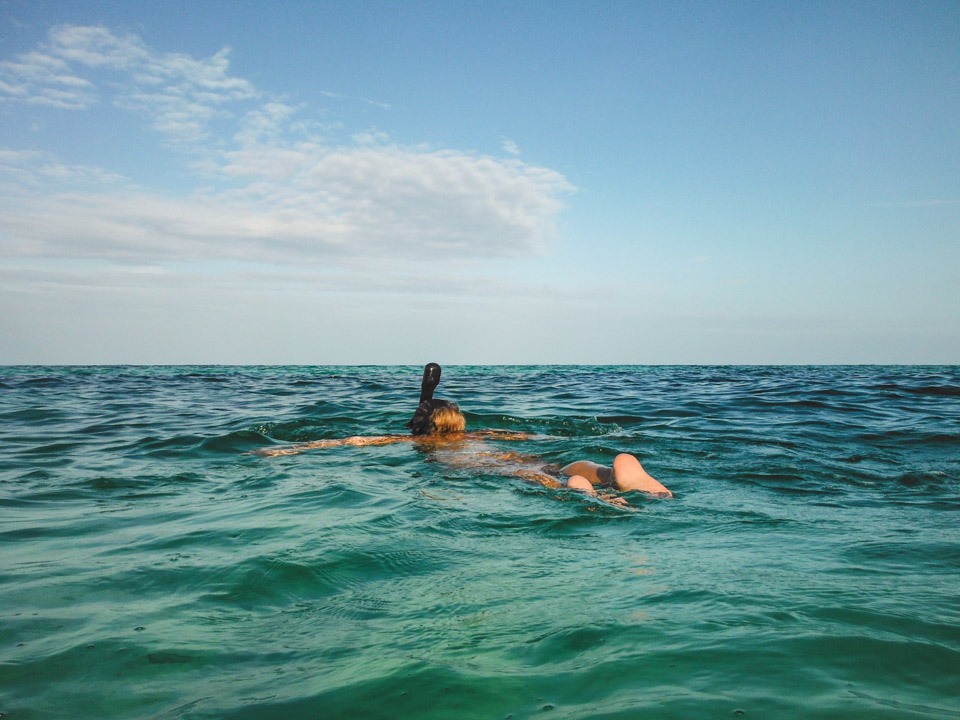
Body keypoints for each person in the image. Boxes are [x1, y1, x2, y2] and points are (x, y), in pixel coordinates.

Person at [256, 363, 672, 504]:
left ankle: (583, 490)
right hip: (531, 457)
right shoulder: (481, 434)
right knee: (567, 467)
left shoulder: (414, 442)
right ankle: (611, 470)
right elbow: (531, 437)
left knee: (556, 484)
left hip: (497, 472)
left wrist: (291, 450)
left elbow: (354, 442)